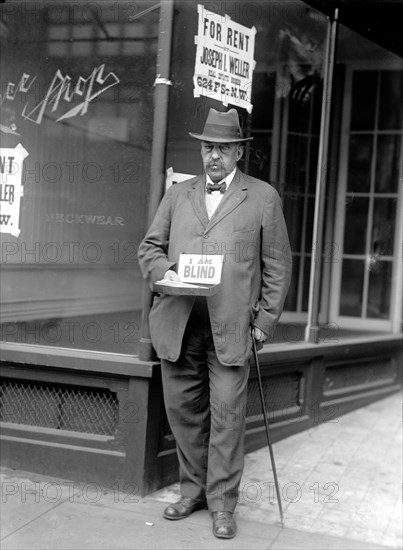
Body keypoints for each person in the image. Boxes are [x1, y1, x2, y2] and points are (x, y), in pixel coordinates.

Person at [138, 108, 291, 539]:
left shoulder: (262, 197)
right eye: (208, 148)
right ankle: (193, 490)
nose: (214, 157)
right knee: (184, 414)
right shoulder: (178, 194)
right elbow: (149, 247)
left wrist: (263, 322)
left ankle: (223, 505)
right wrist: (165, 272)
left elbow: (277, 265)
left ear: (238, 152)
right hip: (179, 322)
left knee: (226, 416)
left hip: (231, 327)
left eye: (223, 149)